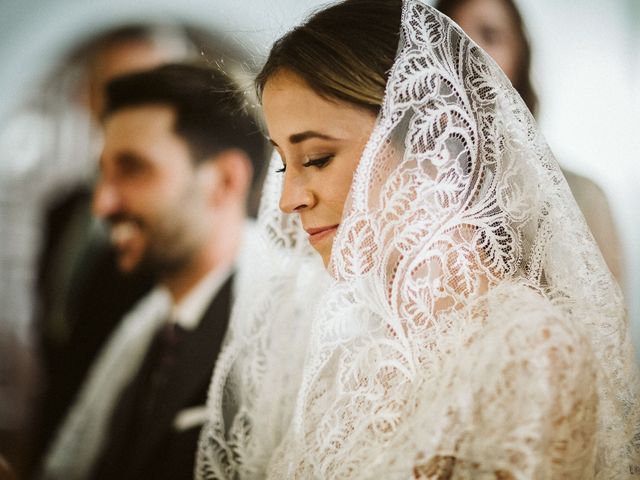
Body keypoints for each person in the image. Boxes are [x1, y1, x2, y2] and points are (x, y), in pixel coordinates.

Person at [196, 0, 640, 478]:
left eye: (318, 158)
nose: (288, 200)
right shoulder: (351, 358)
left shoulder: (529, 351)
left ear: (432, 143)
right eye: (284, 163)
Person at [41, 63, 266, 480]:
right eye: (102, 174)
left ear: (224, 180)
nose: (102, 204)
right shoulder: (140, 321)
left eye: (132, 169)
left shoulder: (277, 335)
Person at [433, 0, 624, 284]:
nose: (469, 49)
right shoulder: (416, 192)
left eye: (489, 34)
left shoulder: (583, 198)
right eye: (454, 35)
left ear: (519, 58)